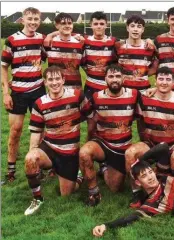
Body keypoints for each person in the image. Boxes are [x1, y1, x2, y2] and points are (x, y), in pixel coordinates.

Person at [23, 66, 91, 215]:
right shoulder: (39, 103)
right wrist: (33, 158)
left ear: (63, 80)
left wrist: (89, 142)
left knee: (67, 194)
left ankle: (78, 176)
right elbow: (35, 133)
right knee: (30, 159)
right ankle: (37, 199)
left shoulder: (77, 96)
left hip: (70, 152)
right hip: (50, 148)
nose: (54, 83)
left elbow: (91, 117)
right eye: (50, 79)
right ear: (45, 82)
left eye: (57, 79)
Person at [125, 66, 174, 208]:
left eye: (168, 79)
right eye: (161, 79)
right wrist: (144, 141)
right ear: (155, 81)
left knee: (170, 186)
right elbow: (140, 122)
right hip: (150, 144)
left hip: (171, 147)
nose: (164, 82)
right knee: (130, 153)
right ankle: (136, 192)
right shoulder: (145, 99)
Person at [79, 64, 140, 206]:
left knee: (114, 188)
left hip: (122, 148)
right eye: (111, 76)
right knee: (84, 153)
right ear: (105, 79)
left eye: (118, 76)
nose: (114, 79)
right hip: (102, 143)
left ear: (123, 78)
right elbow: (90, 120)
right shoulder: (96, 97)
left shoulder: (134, 95)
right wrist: (89, 140)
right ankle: (94, 193)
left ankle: (104, 167)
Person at [1, 7, 46, 183]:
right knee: (15, 131)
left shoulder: (42, 39)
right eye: (30, 19)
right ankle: (10, 171)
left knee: (40, 131)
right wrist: (6, 93)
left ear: (39, 21)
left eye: (36, 19)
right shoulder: (12, 40)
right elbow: (3, 66)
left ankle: (38, 166)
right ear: (23, 19)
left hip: (38, 90)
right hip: (18, 92)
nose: (33, 22)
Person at [82, 11, 119, 99]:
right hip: (90, 86)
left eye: (102, 24)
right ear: (91, 25)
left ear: (106, 25)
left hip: (108, 86)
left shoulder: (114, 41)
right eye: (96, 24)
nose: (99, 26)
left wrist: (147, 40)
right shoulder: (85, 41)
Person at [115, 15, 157, 92]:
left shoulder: (150, 47)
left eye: (139, 26)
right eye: (132, 26)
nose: (135, 29)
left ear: (143, 29)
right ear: (127, 28)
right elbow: (113, 66)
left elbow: (155, 67)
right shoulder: (118, 46)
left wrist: (143, 73)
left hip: (144, 91)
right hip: (124, 91)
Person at [44, 13, 84, 89]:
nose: (67, 26)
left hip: (75, 89)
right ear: (56, 25)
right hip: (55, 89)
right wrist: (50, 35)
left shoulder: (80, 43)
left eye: (69, 23)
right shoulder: (49, 42)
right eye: (63, 23)